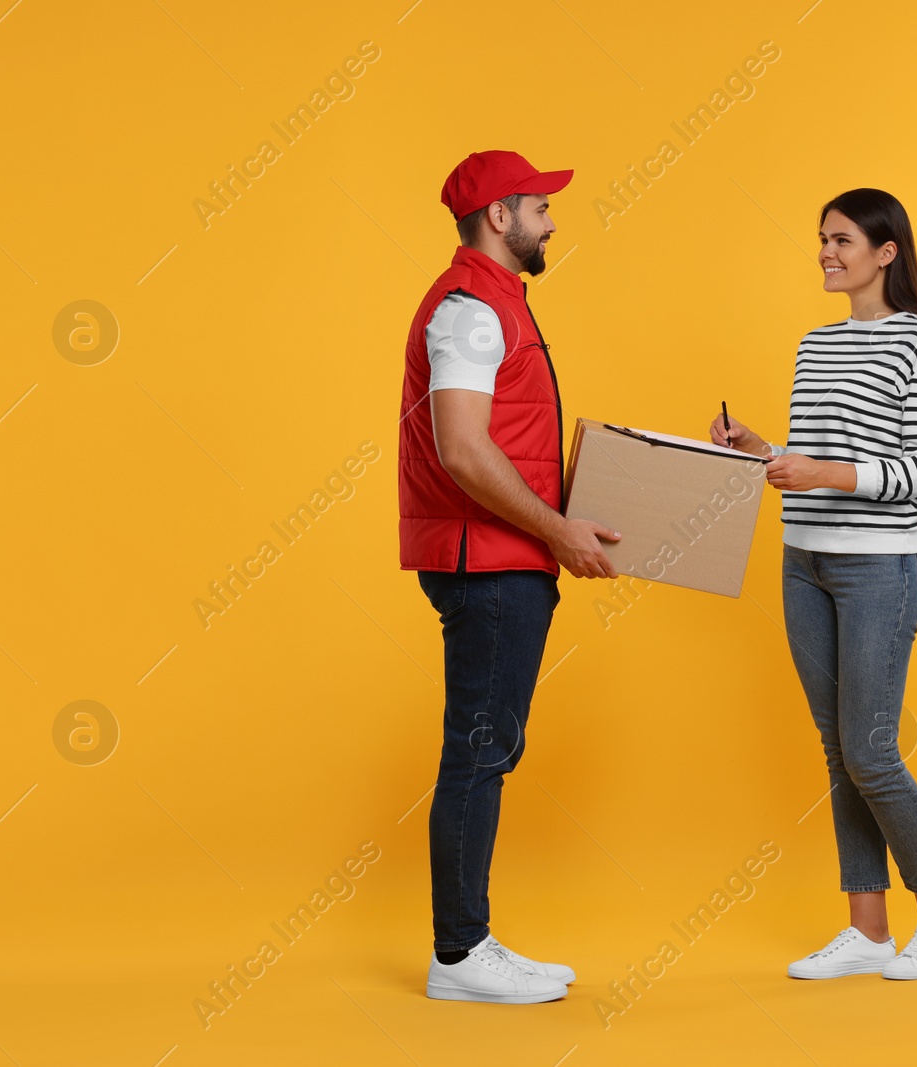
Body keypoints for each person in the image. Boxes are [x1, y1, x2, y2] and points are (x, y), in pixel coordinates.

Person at [709, 188, 917, 981]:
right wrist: (764, 447)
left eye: (841, 239)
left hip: (877, 569)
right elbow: (820, 451)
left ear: (886, 252)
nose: (825, 251)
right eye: (821, 238)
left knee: (872, 750)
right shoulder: (815, 345)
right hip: (803, 561)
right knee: (838, 751)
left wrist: (818, 470)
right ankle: (867, 930)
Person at [400, 150, 621, 1004]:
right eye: (541, 207)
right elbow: (461, 449)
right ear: (501, 215)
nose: (552, 221)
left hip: (504, 556)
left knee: (488, 748)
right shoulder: (470, 311)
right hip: (487, 563)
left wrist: (577, 507)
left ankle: (473, 942)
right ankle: (458, 956)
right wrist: (559, 528)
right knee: (479, 752)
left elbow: (506, 444)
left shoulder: (495, 304)